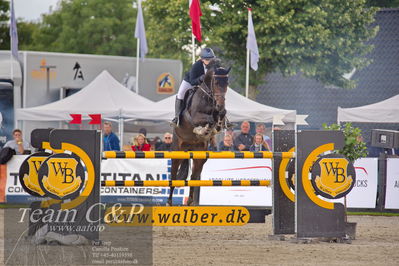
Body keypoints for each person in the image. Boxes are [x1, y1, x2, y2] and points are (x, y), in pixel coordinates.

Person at [171, 47, 216, 127]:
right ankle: (177, 117)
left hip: (205, 85)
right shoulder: (196, 66)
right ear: (202, 59)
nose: (209, 61)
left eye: (210, 59)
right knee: (180, 94)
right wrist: (201, 78)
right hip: (189, 82)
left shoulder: (213, 65)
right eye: (207, 59)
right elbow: (192, 81)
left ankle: (223, 118)